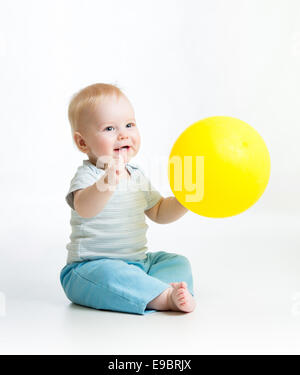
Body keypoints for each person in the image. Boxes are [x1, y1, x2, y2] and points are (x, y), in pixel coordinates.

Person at [60, 83, 196, 314]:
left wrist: (186, 200)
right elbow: (85, 208)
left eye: (129, 125)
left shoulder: (136, 175)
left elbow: (159, 212)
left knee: (176, 261)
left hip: (138, 264)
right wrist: (108, 181)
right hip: (89, 268)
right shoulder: (88, 175)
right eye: (109, 128)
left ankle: (153, 290)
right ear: (83, 142)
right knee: (110, 275)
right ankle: (162, 296)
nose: (123, 134)